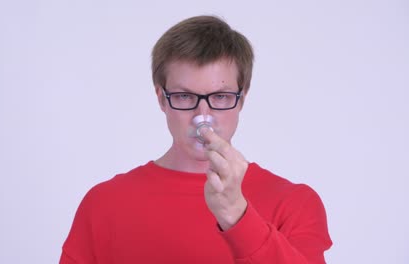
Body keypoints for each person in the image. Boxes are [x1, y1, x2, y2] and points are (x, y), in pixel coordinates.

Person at [60, 15, 332, 264]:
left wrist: (237, 215)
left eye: (221, 97)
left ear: (242, 99)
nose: (203, 115)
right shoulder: (104, 204)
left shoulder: (295, 204)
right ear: (161, 99)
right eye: (185, 97)